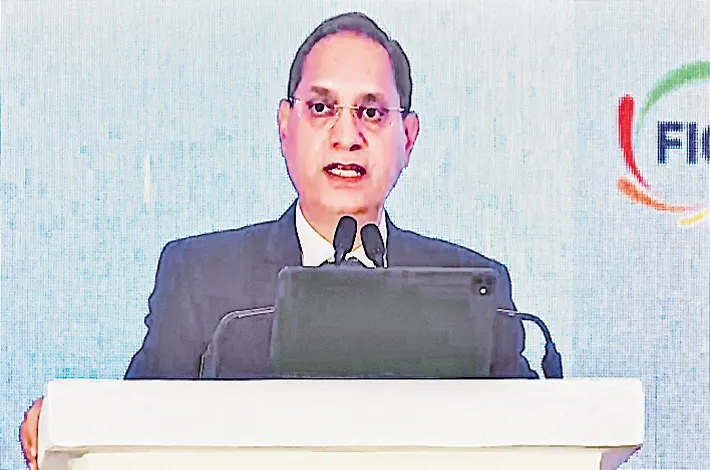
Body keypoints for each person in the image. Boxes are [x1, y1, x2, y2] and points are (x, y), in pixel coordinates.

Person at [20, 11, 537, 469]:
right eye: (322, 108)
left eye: (371, 112)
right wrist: (67, 426)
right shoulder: (203, 279)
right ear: (285, 126)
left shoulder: (473, 286)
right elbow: (131, 429)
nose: (346, 137)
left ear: (409, 136)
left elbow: (539, 440)